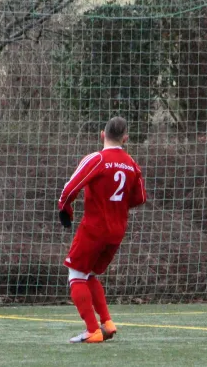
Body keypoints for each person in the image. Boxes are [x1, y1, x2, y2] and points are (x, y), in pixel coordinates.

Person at [58, 117, 147, 343]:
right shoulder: (132, 165)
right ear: (125, 138)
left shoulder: (98, 158)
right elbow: (140, 198)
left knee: (76, 275)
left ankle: (92, 330)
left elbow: (70, 189)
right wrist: (116, 205)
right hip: (116, 231)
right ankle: (107, 323)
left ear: (102, 134)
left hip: (94, 228)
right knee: (89, 274)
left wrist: (65, 210)